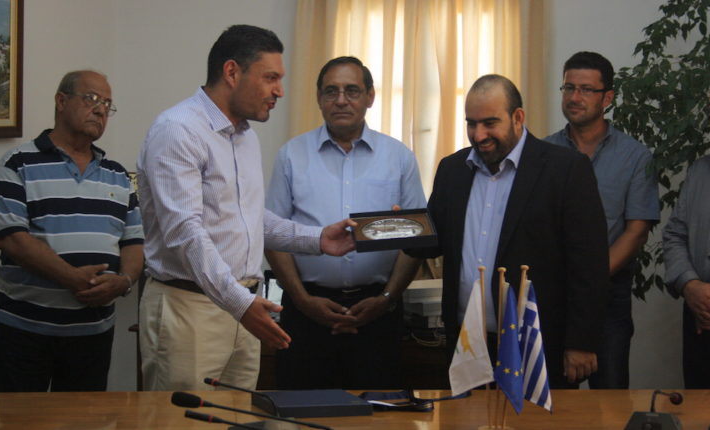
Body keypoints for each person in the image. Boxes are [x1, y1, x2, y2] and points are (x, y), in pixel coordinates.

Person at [137, 25, 355, 392]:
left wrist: (318, 239)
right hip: (191, 308)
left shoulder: (245, 137)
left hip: (242, 305)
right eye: (271, 78)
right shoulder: (178, 130)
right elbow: (185, 233)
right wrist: (241, 302)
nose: (279, 91)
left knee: (238, 415)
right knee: (181, 418)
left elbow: (250, 220)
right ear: (232, 72)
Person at [408, 74, 610, 388]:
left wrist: (581, 342)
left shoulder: (565, 169)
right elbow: (431, 242)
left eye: (490, 123)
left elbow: (589, 263)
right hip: (467, 346)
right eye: (471, 124)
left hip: (536, 345)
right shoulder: (452, 170)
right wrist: (394, 228)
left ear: (518, 118)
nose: (479, 135)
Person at [265, 56, 426, 389]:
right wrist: (303, 301)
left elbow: (416, 238)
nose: (341, 100)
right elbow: (272, 235)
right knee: (302, 410)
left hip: (378, 314)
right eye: (331, 91)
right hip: (306, 312)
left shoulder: (398, 157)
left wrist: (386, 298)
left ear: (370, 96)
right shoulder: (291, 155)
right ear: (318, 98)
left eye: (352, 91)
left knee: (377, 410)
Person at [0, 70, 143, 392]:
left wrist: (125, 281)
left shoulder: (117, 176)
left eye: (108, 104)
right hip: (24, 332)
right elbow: (12, 238)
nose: (100, 110)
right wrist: (71, 278)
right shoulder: (18, 163)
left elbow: (133, 242)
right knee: (18, 417)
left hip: (92, 335)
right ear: (61, 101)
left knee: (83, 417)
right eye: (92, 99)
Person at [544, 52, 660, 389]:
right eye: (568, 88)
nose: (574, 97)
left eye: (586, 90)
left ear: (607, 98)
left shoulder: (635, 156)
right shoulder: (544, 153)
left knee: (609, 401)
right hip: (555, 293)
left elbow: (636, 231)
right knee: (554, 400)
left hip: (609, 295)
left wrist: (589, 280)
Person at [663, 75, 710, 389]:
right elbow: (674, 234)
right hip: (697, 316)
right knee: (699, 406)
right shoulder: (699, 171)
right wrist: (690, 285)